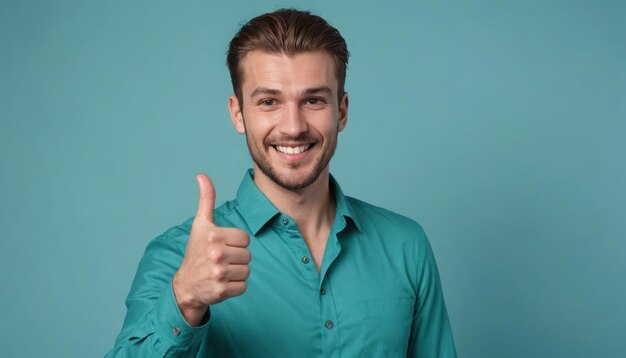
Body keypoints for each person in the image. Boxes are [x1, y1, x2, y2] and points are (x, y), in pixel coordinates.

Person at [107, 8, 456, 357]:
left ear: (342, 111)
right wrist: (184, 299)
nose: (293, 126)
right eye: (269, 102)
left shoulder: (405, 246)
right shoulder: (177, 256)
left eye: (314, 100)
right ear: (238, 113)